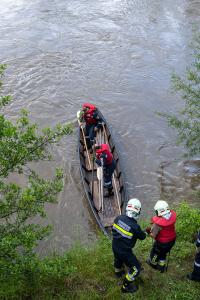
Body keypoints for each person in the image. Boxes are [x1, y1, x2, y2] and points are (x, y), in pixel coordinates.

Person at [112, 198, 147, 293]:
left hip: (115, 246)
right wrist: (146, 232)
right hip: (126, 252)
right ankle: (125, 286)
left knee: (118, 259)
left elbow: (114, 231)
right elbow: (143, 237)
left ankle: (117, 272)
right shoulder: (135, 227)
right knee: (136, 268)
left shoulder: (118, 218)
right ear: (138, 212)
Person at [146, 200, 176, 273]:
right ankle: (161, 267)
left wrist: (148, 232)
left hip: (161, 244)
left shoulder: (157, 225)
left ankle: (152, 264)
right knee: (163, 253)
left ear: (159, 212)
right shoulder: (171, 217)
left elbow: (153, 235)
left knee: (155, 253)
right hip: (172, 241)